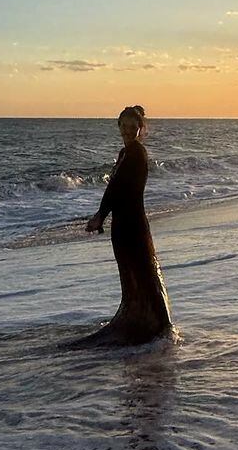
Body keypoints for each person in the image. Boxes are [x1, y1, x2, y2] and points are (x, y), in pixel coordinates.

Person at [73, 105, 173, 346]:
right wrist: (103, 215)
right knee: (132, 277)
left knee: (142, 274)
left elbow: (119, 189)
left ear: (141, 129)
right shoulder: (125, 153)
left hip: (132, 225)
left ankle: (156, 327)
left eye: (133, 127)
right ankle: (147, 325)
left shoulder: (137, 153)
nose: (128, 131)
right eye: (124, 127)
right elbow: (114, 188)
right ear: (118, 126)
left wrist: (100, 215)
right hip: (124, 224)